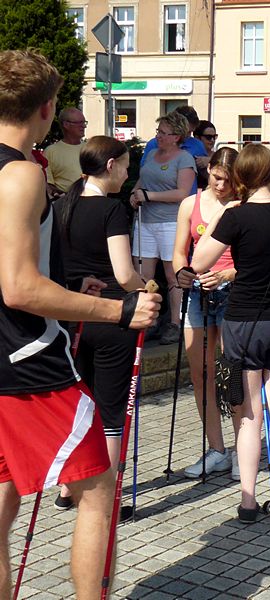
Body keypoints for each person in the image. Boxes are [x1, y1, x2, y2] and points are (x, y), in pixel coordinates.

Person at [0, 50, 160, 599]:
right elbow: (18, 287)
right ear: (47, 110)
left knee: (2, 502)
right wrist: (115, 308)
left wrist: (69, 288)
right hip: (27, 362)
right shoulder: (20, 171)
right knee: (96, 488)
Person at [191, 143, 270, 525]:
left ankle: (248, 502)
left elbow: (198, 261)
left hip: (245, 322)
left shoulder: (236, 217)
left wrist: (223, 212)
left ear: (240, 178)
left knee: (251, 416)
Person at [53, 136, 148, 516]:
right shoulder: (112, 210)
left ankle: (66, 487)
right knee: (110, 411)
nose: (127, 174)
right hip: (110, 315)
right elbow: (124, 274)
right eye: (125, 166)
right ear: (110, 165)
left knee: (77, 403)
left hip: (69, 314)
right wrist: (148, 288)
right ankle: (107, 496)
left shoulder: (61, 205)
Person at [173, 147, 238, 479]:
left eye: (228, 179)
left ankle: (245, 446)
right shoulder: (191, 204)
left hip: (232, 294)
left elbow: (254, 258)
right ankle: (217, 449)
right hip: (198, 294)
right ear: (208, 169)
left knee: (235, 375)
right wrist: (181, 273)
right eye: (216, 177)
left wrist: (228, 274)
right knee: (200, 373)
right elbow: (178, 254)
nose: (222, 185)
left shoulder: (241, 205)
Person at [130, 111, 196, 345]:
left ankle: (175, 323)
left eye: (164, 133)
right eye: (158, 132)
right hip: (145, 221)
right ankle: (151, 319)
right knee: (144, 275)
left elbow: (182, 193)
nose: (159, 136)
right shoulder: (151, 155)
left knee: (172, 275)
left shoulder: (183, 159)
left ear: (177, 136)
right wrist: (135, 193)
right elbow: (142, 180)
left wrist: (149, 196)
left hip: (170, 222)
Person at [44, 107, 86, 193]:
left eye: (84, 122)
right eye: (79, 122)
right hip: (66, 203)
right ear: (66, 125)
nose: (84, 126)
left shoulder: (89, 148)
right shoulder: (51, 152)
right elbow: (48, 184)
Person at [193, 120, 217, 189]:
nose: (212, 140)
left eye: (214, 137)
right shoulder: (190, 155)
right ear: (197, 138)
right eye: (208, 137)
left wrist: (211, 161)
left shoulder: (218, 155)